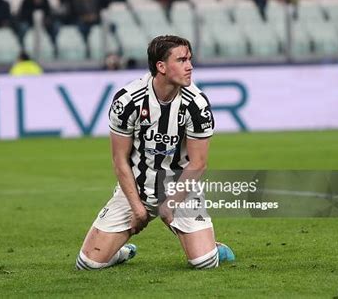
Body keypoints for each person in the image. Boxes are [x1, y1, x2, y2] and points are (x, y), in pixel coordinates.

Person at [76, 35, 235, 271]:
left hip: (180, 188)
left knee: (204, 262)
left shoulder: (197, 105)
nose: (189, 66)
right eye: (181, 60)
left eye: (189, 59)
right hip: (136, 188)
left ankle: (213, 247)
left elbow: (198, 164)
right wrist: (137, 207)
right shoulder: (128, 100)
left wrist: (169, 204)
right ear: (161, 66)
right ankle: (121, 252)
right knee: (87, 264)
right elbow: (119, 160)